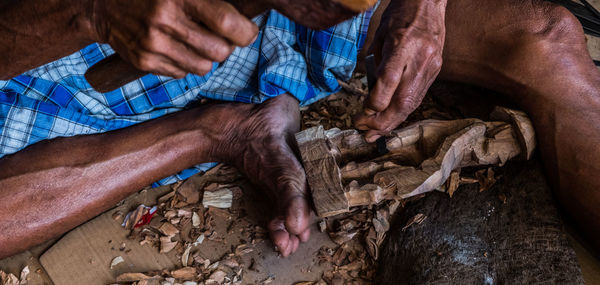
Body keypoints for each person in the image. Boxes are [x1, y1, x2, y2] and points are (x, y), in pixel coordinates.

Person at [0, 0, 599, 259]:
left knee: (544, 43)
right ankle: (216, 130)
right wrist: (94, 10)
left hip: (275, 20)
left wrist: (426, 8)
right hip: (46, 61)